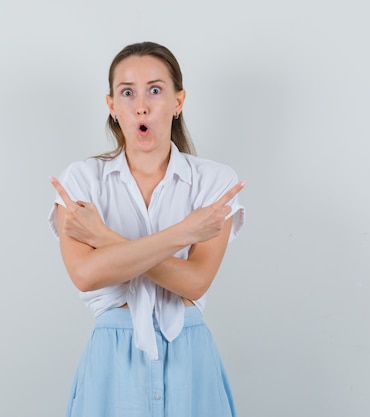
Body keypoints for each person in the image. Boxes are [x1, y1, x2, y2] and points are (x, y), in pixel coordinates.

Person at [48, 41, 245, 417]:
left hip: (190, 352)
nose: (141, 105)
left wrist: (105, 239)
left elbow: (195, 282)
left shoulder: (215, 180)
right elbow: (87, 275)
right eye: (127, 92)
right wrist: (184, 233)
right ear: (112, 106)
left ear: (178, 101)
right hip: (112, 356)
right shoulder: (83, 179)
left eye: (155, 90)